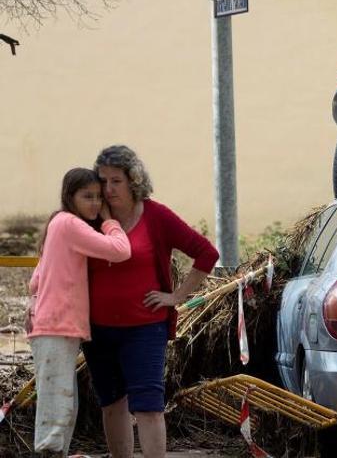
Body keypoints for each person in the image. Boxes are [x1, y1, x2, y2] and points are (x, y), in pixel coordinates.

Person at [82, 145, 219, 458]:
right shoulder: (90, 218)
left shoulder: (156, 216)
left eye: (116, 180)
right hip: (97, 329)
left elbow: (206, 253)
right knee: (112, 403)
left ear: (134, 180)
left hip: (144, 328)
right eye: (102, 180)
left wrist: (177, 296)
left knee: (149, 405)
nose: (107, 188)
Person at [26, 168, 132, 457]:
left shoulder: (58, 225)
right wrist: (110, 221)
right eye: (88, 196)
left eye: (99, 197)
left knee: (63, 401)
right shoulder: (70, 224)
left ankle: (54, 451)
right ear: (69, 197)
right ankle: (50, 452)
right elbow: (121, 250)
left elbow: (36, 279)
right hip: (57, 326)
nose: (95, 203)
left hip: (54, 325)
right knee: (58, 403)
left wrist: (35, 305)